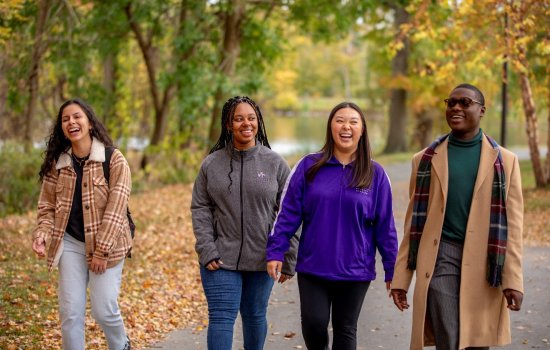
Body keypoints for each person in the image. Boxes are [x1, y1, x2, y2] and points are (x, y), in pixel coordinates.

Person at [390, 83, 524, 350]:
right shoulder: (425, 160)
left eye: (465, 102)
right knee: (448, 338)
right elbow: (413, 226)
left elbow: (513, 226)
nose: (456, 108)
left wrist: (513, 280)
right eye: (451, 102)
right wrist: (401, 279)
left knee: (477, 342)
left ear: (481, 110)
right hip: (441, 257)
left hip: (486, 261)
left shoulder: (505, 162)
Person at [266, 102, 398, 350]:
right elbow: (288, 213)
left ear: (362, 130)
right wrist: (275, 251)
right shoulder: (309, 166)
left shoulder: (375, 174)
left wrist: (392, 269)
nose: (346, 126)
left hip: (355, 270)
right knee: (314, 325)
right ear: (330, 126)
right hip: (314, 266)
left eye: (353, 121)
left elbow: (386, 228)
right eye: (339, 120)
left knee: (346, 329)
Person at [191, 96, 298, 350]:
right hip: (220, 258)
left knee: (254, 316)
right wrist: (207, 248)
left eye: (251, 118)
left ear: (258, 122)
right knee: (221, 317)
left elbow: (290, 211)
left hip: (263, 258)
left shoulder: (274, 163)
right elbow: (200, 207)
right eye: (238, 119)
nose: (245, 124)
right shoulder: (212, 164)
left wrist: (288, 256)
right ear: (229, 124)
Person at [32, 98, 132, 350]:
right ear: (62, 128)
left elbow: (116, 210)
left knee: (103, 310)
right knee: (70, 313)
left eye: (77, 117)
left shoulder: (114, 160)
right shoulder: (59, 164)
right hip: (71, 243)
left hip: (107, 246)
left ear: (89, 123)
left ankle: (121, 345)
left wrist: (101, 251)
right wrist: (42, 233)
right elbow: (47, 207)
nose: (71, 122)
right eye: (65, 119)